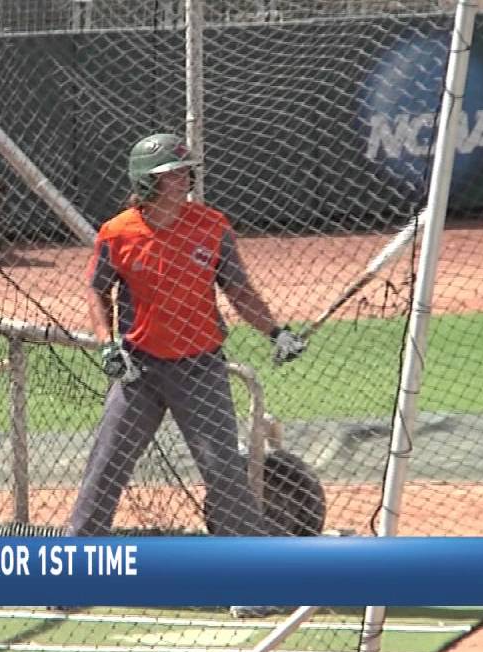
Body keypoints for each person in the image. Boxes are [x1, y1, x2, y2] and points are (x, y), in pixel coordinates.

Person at [67, 133, 308, 619]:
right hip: (139, 370)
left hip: (201, 368)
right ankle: (70, 579)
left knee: (224, 474)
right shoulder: (117, 232)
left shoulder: (211, 226)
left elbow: (238, 289)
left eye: (183, 172)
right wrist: (106, 343)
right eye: (170, 175)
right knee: (106, 466)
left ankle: (255, 585)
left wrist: (275, 331)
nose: (182, 181)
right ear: (144, 183)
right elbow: (96, 291)